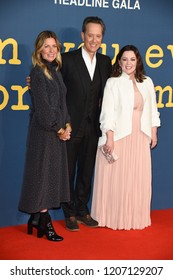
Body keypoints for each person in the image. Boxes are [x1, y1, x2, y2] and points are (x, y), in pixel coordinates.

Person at [91, 45, 161, 230]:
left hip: (140, 136)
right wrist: (110, 138)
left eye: (132, 59)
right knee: (118, 180)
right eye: (124, 59)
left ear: (137, 61)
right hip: (120, 136)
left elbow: (153, 109)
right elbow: (107, 113)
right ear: (119, 62)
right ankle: (113, 217)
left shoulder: (147, 81)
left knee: (137, 179)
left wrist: (153, 132)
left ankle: (134, 217)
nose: (128, 63)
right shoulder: (113, 83)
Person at [18, 31, 72, 241]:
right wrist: (58, 128)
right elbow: (43, 108)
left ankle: (36, 218)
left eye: (54, 46)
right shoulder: (38, 73)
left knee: (49, 176)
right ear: (39, 49)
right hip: (43, 133)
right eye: (46, 46)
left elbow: (62, 103)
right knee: (43, 176)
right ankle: (43, 220)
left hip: (56, 132)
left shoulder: (55, 71)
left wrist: (67, 125)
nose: (51, 50)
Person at [60, 16, 112, 231]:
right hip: (71, 128)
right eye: (90, 35)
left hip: (94, 128)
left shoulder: (105, 62)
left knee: (87, 171)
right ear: (83, 36)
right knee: (69, 171)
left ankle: (82, 209)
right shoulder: (67, 59)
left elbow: (115, 90)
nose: (93, 39)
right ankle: (69, 212)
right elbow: (57, 91)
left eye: (98, 36)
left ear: (102, 38)